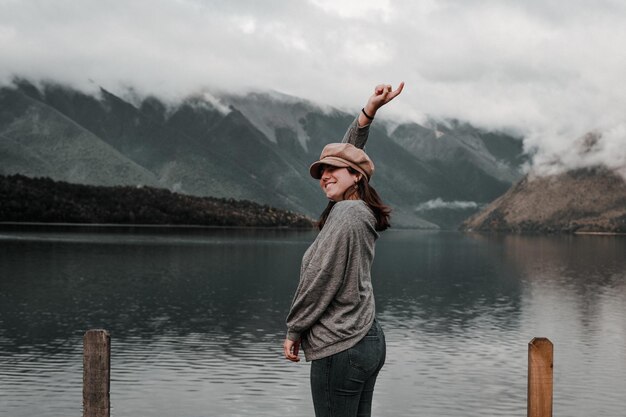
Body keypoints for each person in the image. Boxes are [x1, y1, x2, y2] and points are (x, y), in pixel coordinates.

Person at [283, 82, 404, 417]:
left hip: (341, 345)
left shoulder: (348, 215)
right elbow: (350, 156)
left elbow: (321, 278)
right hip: (365, 336)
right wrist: (367, 114)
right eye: (321, 172)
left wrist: (295, 329)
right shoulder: (356, 209)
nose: (324, 176)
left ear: (354, 177)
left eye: (331, 170)